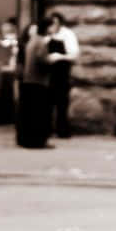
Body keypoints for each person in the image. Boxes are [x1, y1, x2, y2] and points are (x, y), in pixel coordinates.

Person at [16, 20, 52, 149]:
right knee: (38, 114)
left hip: (28, 80)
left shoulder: (31, 42)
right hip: (38, 81)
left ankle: (26, 140)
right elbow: (42, 59)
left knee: (29, 113)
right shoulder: (41, 42)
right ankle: (37, 141)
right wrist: (51, 59)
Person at [44, 11, 79, 139]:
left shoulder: (68, 35)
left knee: (62, 103)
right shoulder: (47, 36)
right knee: (47, 103)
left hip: (62, 73)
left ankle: (62, 130)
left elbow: (74, 55)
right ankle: (47, 129)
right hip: (48, 74)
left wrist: (60, 57)